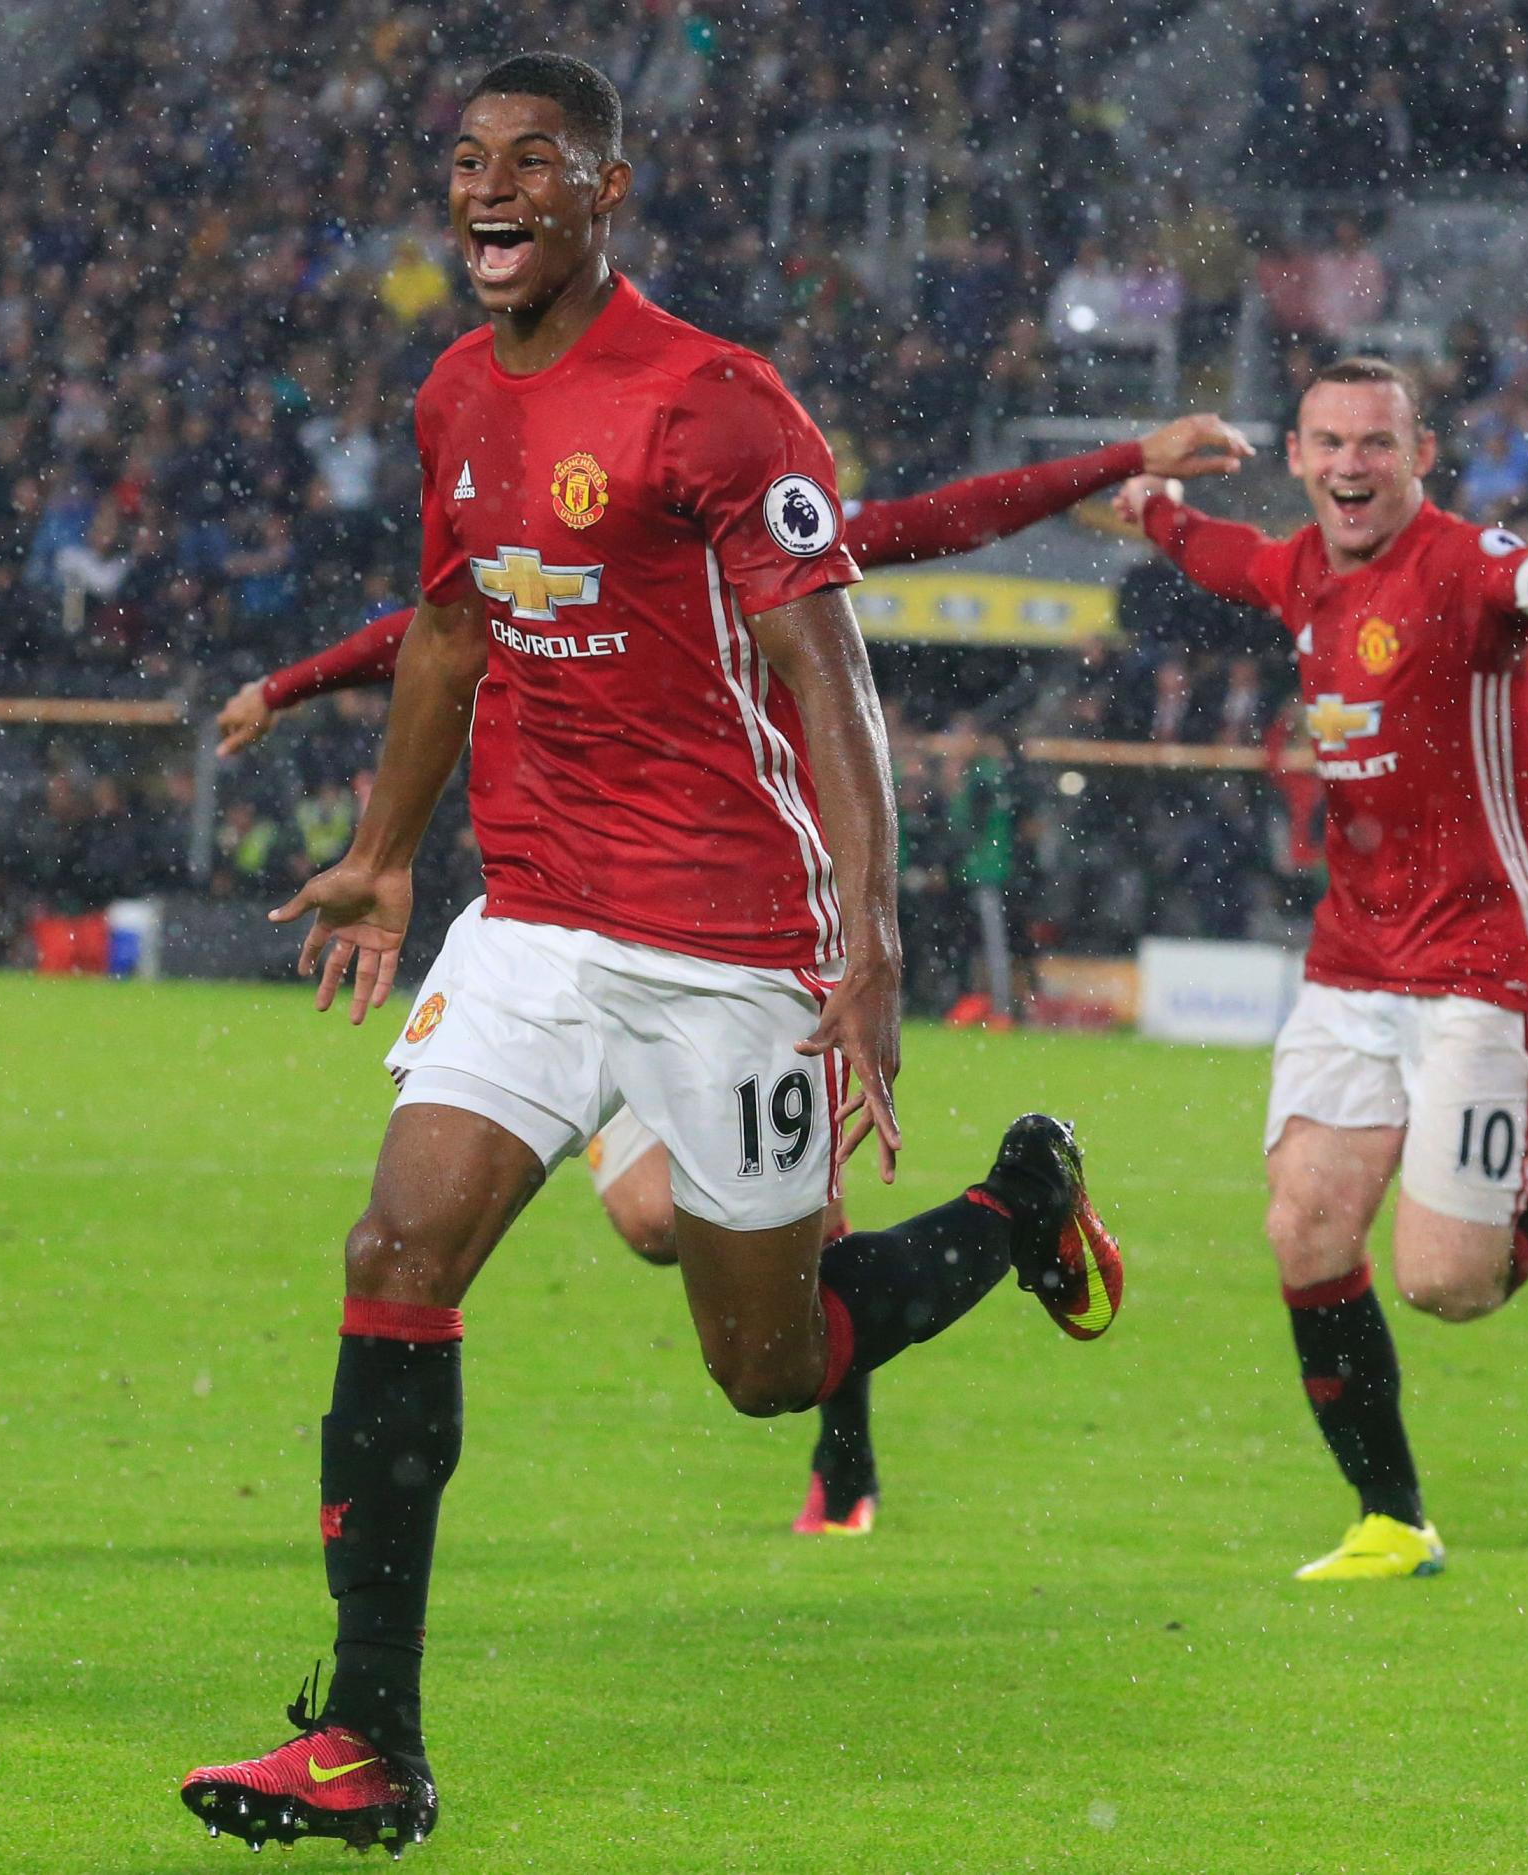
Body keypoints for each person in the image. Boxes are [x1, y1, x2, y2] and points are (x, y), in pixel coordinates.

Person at [177, 55, 1121, 1855]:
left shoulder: (714, 405)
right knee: (394, 1249)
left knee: (769, 1370)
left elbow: (830, 682)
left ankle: (1017, 1214)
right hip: (535, 911)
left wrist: (876, 944)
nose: (490, 188)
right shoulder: (457, 395)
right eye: (466, 161)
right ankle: (373, 1737)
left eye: (534, 160)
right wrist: (384, 856)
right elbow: (451, 639)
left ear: (606, 192)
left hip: (729, 937)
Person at [216, 440, 1160, 1540]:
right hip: (564, 933)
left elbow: (955, 514)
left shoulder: (771, 551)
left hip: (735, 932)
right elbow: (442, 625)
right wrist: (291, 685)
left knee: (787, 1295)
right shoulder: (564, 567)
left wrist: (1126, 460)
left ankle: (848, 1462)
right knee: (650, 1223)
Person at [1113, 357, 1528, 1583]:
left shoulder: (1466, 566)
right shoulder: (1304, 568)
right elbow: (1225, 558)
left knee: (1449, 1287)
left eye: (1375, 444)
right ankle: (1392, 1519)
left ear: (1419, 457)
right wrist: (1148, 503)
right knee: (1304, 1229)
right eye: (1327, 444)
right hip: (1352, 962)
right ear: (1300, 456)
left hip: (1482, 960)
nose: (1350, 466)